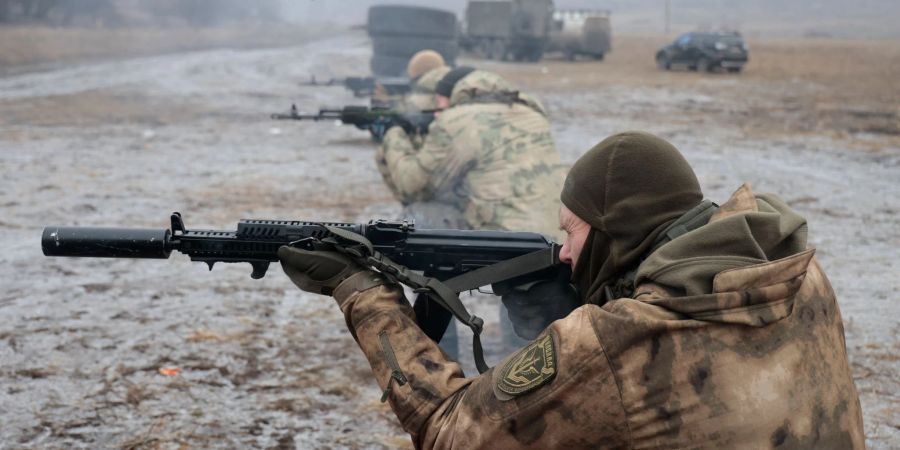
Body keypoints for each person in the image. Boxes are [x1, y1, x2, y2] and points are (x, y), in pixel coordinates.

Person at [278, 131, 865, 448]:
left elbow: (451, 434)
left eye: (572, 233)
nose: (563, 253)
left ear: (617, 233)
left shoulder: (616, 340)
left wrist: (359, 290)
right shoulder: (796, 275)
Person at [375, 66, 568, 359]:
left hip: (513, 247)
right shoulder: (528, 109)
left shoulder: (457, 121)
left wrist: (393, 135)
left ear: (447, 97)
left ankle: (439, 347)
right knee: (538, 336)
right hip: (558, 234)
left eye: (437, 105)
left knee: (424, 219)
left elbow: (413, 185)